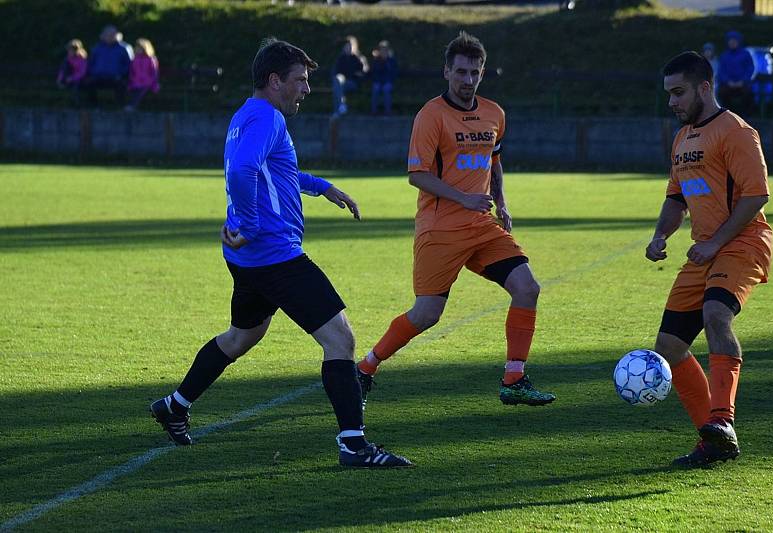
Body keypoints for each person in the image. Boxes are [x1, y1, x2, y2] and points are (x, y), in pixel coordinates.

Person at [149, 38, 412, 469]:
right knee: (340, 340)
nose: (306, 89)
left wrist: (323, 187)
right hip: (274, 255)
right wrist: (250, 226)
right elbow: (241, 170)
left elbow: (279, 170)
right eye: (300, 80)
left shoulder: (245, 116)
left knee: (242, 336)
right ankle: (354, 445)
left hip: (249, 259)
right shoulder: (268, 118)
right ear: (275, 81)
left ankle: (175, 405)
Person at [356, 31, 556, 410]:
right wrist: (464, 197)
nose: (467, 80)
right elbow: (416, 174)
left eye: (475, 73)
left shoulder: (494, 113)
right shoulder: (431, 115)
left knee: (527, 288)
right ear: (447, 71)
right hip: (440, 229)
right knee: (427, 314)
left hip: (481, 226)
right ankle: (366, 367)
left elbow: (493, 161)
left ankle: (514, 379)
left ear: (483, 73)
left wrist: (502, 202)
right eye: (461, 72)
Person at [648, 51, 772, 468]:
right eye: (668, 94)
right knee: (668, 346)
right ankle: (713, 441)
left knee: (717, 313)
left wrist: (716, 242)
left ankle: (723, 419)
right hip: (705, 249)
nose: (672, 102)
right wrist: (660, 234)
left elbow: (756, 195)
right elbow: (675, 198)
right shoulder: (682, 139)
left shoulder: (736, 132)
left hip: (742, 243)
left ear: (705, 87)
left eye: (679, 92)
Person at [84, 25, 133, 107]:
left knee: (121, 85)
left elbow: (129, 65)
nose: (110, 37)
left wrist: (121, 74)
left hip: (117, 78)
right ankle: (93, 107)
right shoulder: (97, 48)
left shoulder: (125, 48)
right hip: (99, 77)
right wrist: (92, 73)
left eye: (112, 34)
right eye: (107, 34)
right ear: (102, 35)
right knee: (89, 83)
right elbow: (91, 63)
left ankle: (119, 108)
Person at [717, 30, 755, 117]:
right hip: (728, 84)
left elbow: (750, 69)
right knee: (722, 93)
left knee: (748, 93)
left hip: (742, 83)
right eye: (730, 41)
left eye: (734, 41)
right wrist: (727, 81)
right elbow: (721, 71)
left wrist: (742, 81)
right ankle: (726, 115)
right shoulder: (724, 55)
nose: (732, 43)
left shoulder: (746, 54)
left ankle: (746, 116)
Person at [331, 35, 368, 116]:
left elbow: (363, 72)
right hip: (342, 82)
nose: (349, 48)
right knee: (337, 81)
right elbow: (336, 72)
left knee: (336, 87)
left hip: (353, 83)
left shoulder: (359, 58)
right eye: (347, 46)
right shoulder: (341, 58)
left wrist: (354, 74)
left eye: (350, 46)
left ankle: (337, 110)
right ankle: (341, 107)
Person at [125, 38, 160, 111]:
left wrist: (152, 82)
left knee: (141, 91)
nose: (137, 50)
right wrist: (132, 80)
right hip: (135, 82)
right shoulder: (134, 60)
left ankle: (132, 106)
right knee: (131, 91)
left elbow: (154, 73)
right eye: (137, 48)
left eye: (140, 48)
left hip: (148, 83)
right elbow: (131, 72)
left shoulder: (151, 59)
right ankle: (131, 106)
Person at [56, 39, 88, 106]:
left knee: (76, 85)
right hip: (68, 79)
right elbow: (63, 70)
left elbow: (82, 73)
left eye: (72, 50)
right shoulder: (67, 59)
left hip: (80, 80)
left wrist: (72, 78)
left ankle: (77, 103)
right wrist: (60, 78)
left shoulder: (82, 59)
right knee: (63, 83)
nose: (70, 51)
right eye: (69, 50)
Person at [370, 40, 397, 115]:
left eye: (385, 49)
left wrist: (388, 81)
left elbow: (393, 73)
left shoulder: (391, 60)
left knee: (386, 89)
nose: (383, 51)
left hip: (388, 81)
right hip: (378, 81)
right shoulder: (376, 60)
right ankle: (374, 111)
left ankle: (387, 111)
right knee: (376, 88)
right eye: (381, 49)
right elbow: (374, 72)